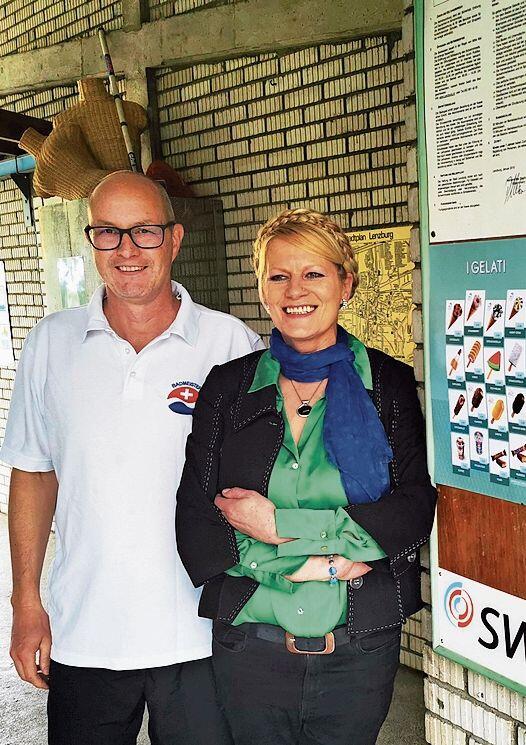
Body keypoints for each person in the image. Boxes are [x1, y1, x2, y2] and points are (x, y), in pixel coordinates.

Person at [2, 171, 263, 745]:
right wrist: (26, 604)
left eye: (144, 232)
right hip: (86, 630)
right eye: (108, 233)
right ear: (91, 241)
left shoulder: (230, 344)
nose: (126, 250)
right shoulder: (51, 343)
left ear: (173, 239)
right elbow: (32, 474)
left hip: (200, 631)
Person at [176, 207, 437, 745]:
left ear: (347, 283)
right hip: (251, 648)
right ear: (264, 290)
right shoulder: (227, 389)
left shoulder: (388, 384)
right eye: (279, 275)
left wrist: (278, 528)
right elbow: (198, 519)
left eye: (314, 273)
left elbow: (412, 507)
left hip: (359, 648)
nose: (296, 289)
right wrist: (331, 561)